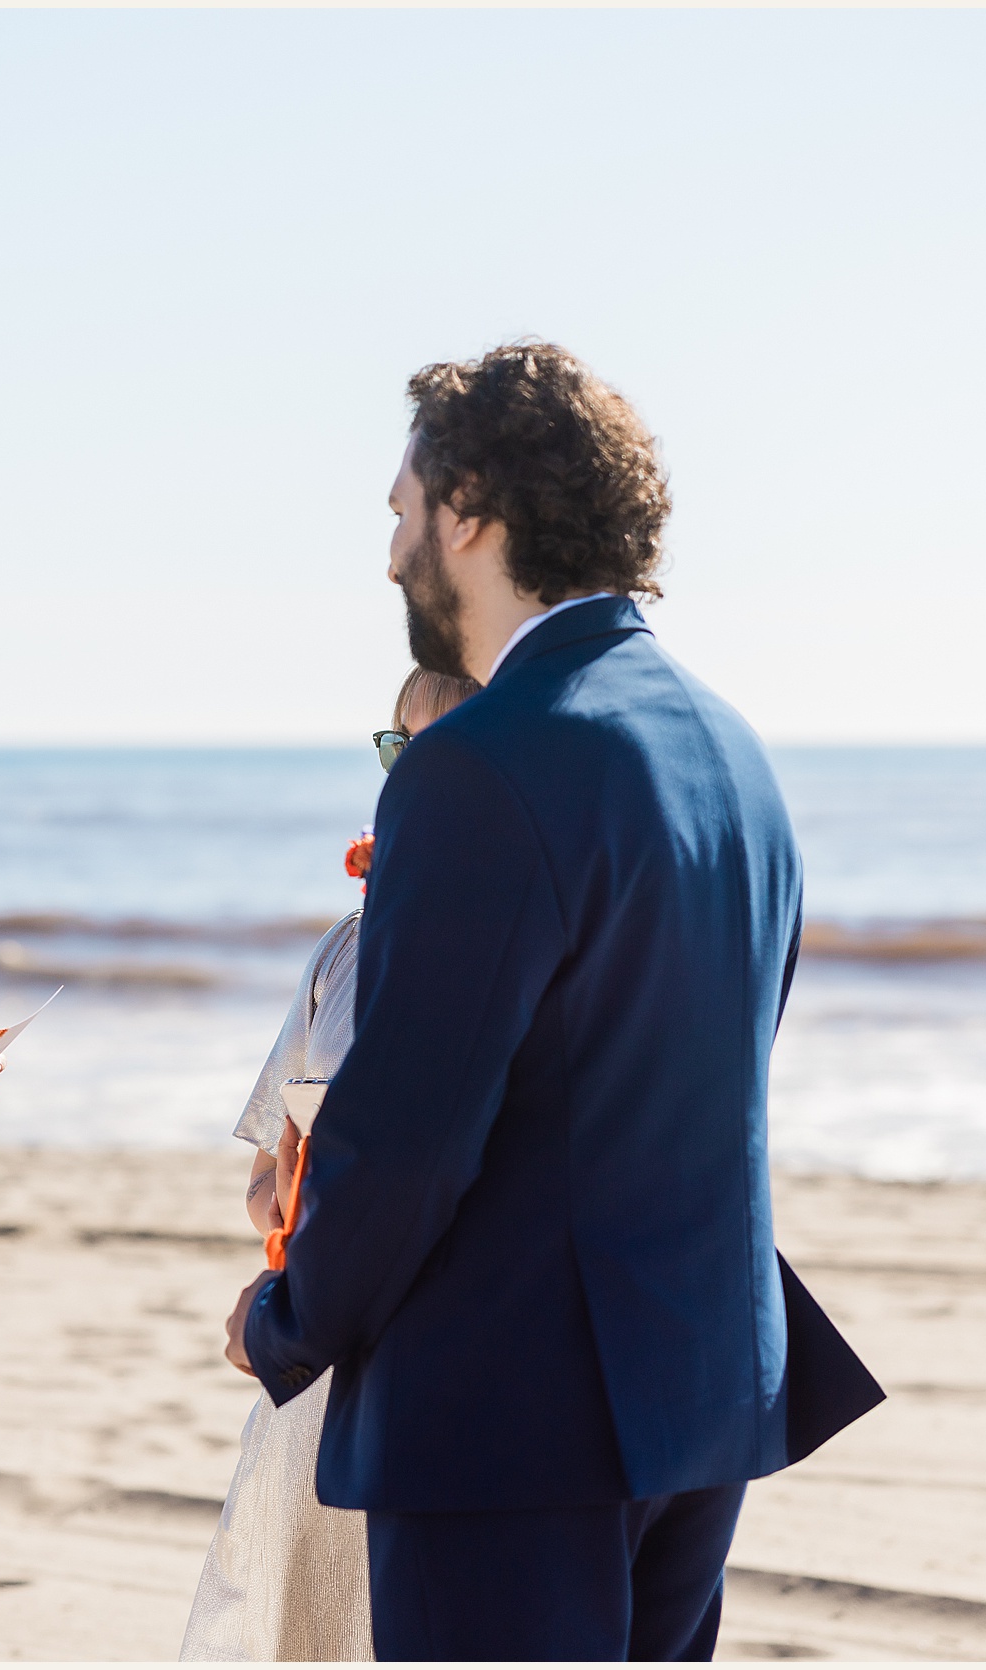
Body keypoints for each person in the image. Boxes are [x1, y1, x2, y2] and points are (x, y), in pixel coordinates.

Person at [222, 342, 884, 1661]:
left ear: (470, 512)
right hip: (698, 1393)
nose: (393, 551)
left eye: (404, 511)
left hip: (510, 1422)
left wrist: (287, 1318)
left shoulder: (480, 765)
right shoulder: (731, 748)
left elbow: (409, 1126)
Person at [179, 665, 478, 1663]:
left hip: (446, 1358)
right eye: (397, 749)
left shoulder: (514, 948)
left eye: (444, 750)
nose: (410, 777)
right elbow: (268, 1174)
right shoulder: (344, 951)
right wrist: (294, 1202)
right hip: (323, 1356)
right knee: (308, 1625)